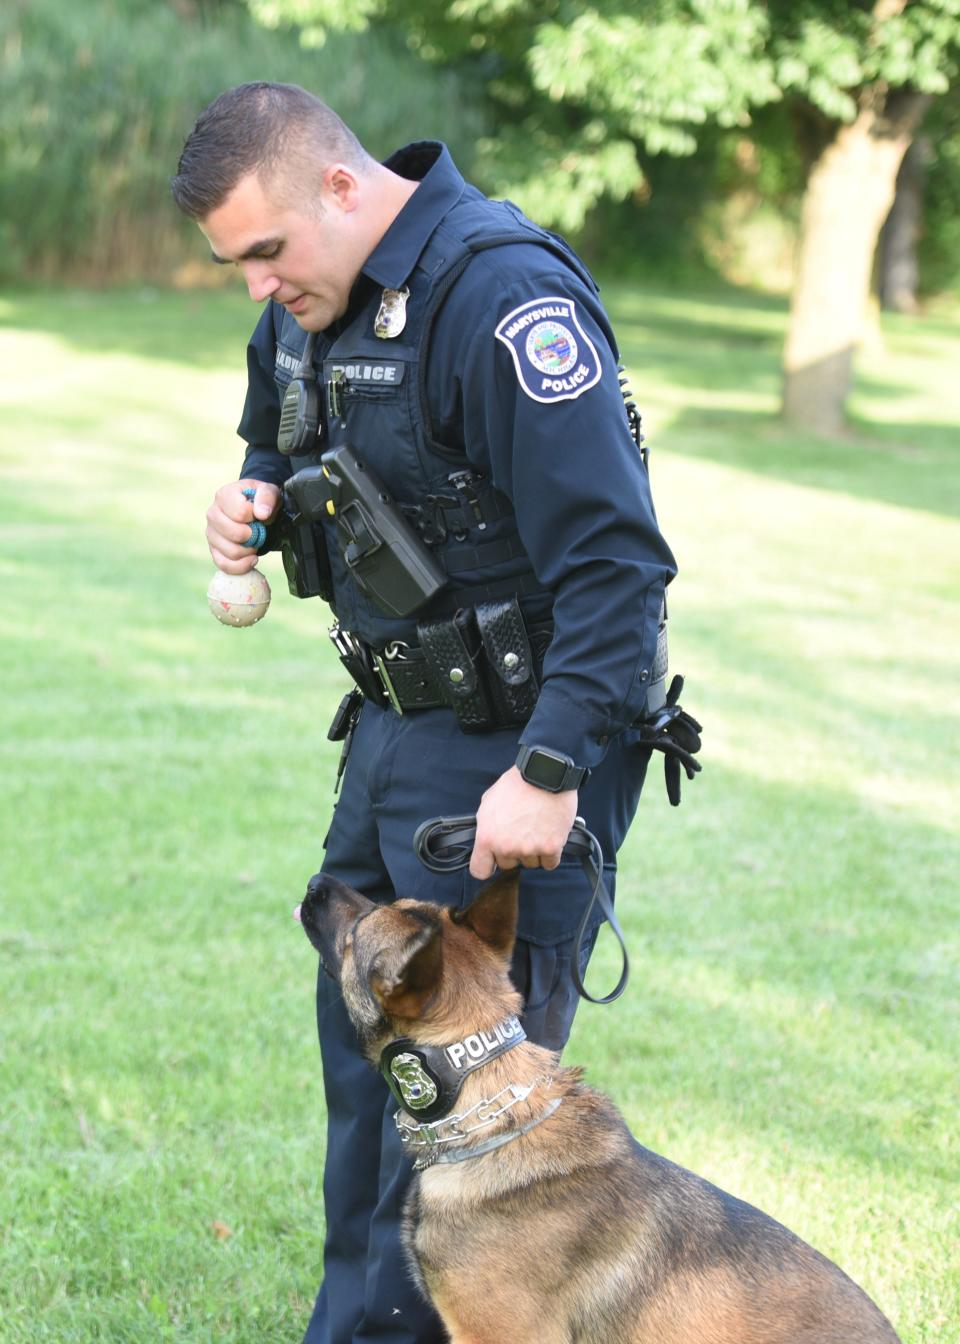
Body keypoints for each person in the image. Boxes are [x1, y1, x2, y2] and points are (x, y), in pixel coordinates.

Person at [172, 81, 698, 1344]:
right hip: (394, 736)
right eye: (232, 262)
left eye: (264, 252)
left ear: (341, 189)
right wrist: (250, 500)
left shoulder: (502, 302)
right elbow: (276, 437)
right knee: (373, 1094)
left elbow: (619, 569)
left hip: (522, 755)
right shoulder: (309, 305)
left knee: (472, 1144)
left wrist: (554, 766)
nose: (254, 286)